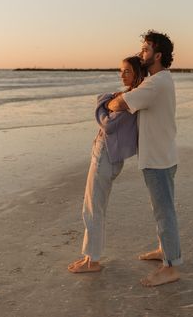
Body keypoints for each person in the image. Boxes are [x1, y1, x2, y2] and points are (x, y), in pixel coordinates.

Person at [107, 30, 182, 287]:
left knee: (164, 213)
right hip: (164, 154)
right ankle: (165, 251)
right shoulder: (161, 80)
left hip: (158, 159)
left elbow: (120, 105)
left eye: (146, 50)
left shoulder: (154, 84)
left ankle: (171, 266)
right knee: (162, 209)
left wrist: (110, 101)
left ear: (158, 55)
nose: (141, 54)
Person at [68, 56, 147, 273]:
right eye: (121, 70)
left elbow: (108, 124)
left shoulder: (130, 98)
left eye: (127, 71)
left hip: (106, 157)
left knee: (93, 207)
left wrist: (101, 103)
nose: (122, 74)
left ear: (138, 74)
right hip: (104, 155)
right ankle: (90, 257)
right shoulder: (128, 96)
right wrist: (107, 101)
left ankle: (92, 260)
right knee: (93, 206)